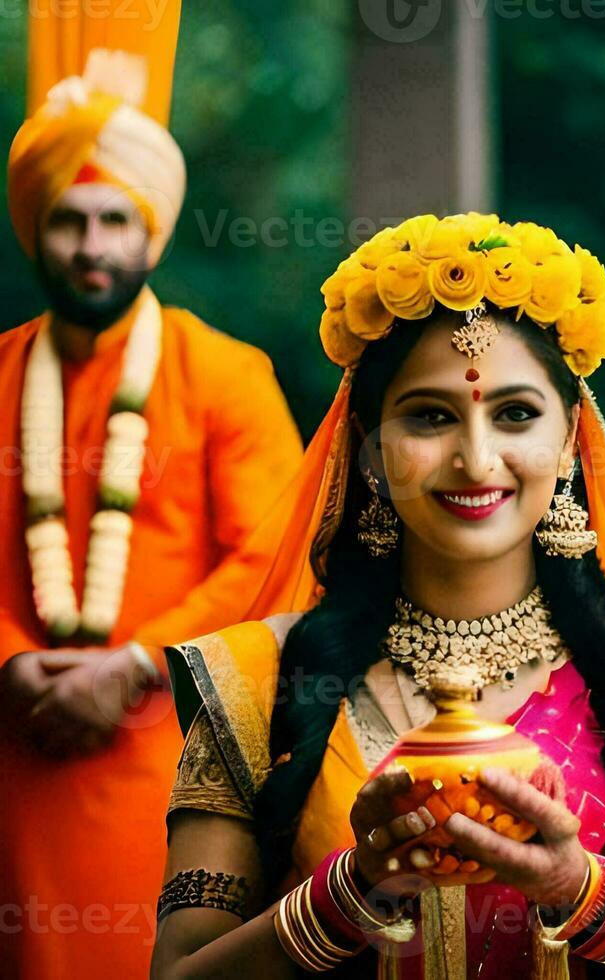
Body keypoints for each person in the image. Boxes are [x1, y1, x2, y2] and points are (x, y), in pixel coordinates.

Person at [151, 212, 605, 978]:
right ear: (370, 447)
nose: (476, 457)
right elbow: (178, 972)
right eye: (430, 416)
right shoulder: (256, 683)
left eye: (516, 414)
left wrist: (583, 892)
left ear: (567, 445)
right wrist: (349, 895)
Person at [0, 47, 302, 977]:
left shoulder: (226, 376)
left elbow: (275, 559)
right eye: (68, 222)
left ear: (154, 234)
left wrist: (132, 665)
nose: (92, 247)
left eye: (114, 222)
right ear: (33, 232)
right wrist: (12, 662)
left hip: (182, 756)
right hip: (16, 748)